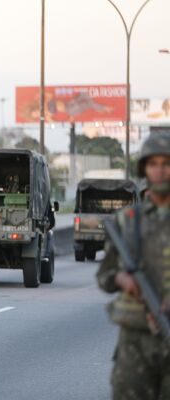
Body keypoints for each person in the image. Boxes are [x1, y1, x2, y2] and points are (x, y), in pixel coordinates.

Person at [96, 132, 170, 400]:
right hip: (135, 341)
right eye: (153, 164)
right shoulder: (127, 221)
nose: (160, 171)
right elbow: (105, 276)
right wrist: (123, 280)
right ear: (145, 169)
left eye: (166, 163)